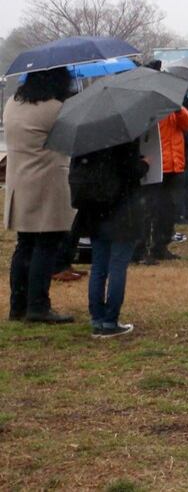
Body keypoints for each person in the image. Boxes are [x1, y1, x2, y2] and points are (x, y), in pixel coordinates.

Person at [5, 67, 77, 324]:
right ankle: (38, 305)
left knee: (24, 245)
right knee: (46, 246)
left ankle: (18, 305)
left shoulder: (12, 104)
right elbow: (72, 139)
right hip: (48, 183)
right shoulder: (55, 109)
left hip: (20, 181)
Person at [70, 140, 148, 337]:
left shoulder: (85, 139)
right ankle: (110, 320)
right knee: (117, 266)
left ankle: (97, 317)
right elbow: (131, 171)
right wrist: (144, 164)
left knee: (99, 266)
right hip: (122, 210)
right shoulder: (124, 138)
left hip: (95, 210)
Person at [139, 92, 188, 264]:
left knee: (169, 210)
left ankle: (161, 246)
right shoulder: (147, 109)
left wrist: (178, 108)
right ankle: (143, 249)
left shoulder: (174, 108)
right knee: (150, 210)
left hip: (174, 165)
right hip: (156, 166)